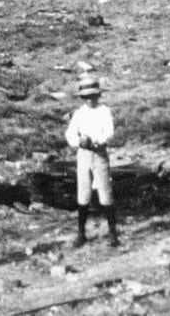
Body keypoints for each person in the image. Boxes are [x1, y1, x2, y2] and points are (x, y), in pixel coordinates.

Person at [64, 75, 118, 248]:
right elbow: (70, 133)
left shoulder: (104, 111)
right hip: (83, 155)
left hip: (99, 153)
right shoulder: (80, 113)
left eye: (92, 96)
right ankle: (81, 234)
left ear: (98, 95)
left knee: (105, 192)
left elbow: (109, 133)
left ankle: (113, 233)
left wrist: (96, 141)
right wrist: (78, 142)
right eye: (86, 97)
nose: (89, 100)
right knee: (83, 193)